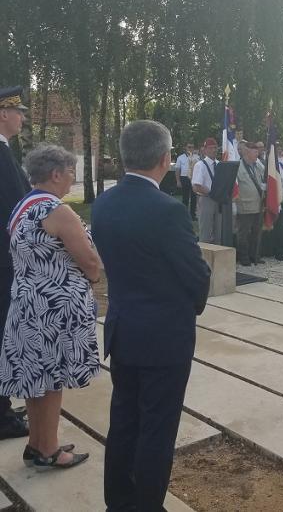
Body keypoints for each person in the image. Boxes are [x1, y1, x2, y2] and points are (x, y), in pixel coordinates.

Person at [92, 120, 211, 511]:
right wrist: (190, 305)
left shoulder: (104, 202)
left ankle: (118, 503)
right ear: (164, 159)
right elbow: (196, 274)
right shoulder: (167, 210)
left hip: (124, 330)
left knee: (124, 422)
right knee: (157, 429)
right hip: (163, 338)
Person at [0, 144, 101, 469]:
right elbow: (87, 259)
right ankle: (51, 450)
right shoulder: (57, 210)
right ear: (55, 174)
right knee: (53, 379)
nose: (72, 178)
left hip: (27, 306)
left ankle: (37, 443)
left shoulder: (22, 206)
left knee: (35, 379)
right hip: (55, 311)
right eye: (70, 171)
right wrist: (94, 274)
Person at [0, 86, 30, 441]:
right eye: (17, 111)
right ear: (3, 114)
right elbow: (15, 209)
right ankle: (2, 415)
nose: (22, 117)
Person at [236, 141, 266, 266]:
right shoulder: (238, 167)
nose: (257, 155)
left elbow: (265, 179)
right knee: (243, 233)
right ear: (247, 152)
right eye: (255, 152)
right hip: (245, 206)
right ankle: (244, 257)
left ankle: (255, 256)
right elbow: (235, 187)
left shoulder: (258, 166)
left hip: (258, 205)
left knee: (256, 233)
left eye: (258, 152)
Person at [192, 138, 221, 244]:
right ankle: (204, 257)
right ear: (204, 150)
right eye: (211, 148)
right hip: (206, 199)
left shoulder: (219, 164)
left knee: (219, 231)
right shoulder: (200, 165)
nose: (214, 150)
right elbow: (196, 186)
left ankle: (218, 256)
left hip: (219, 200)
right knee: (206, 230)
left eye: (215, 148)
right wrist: (210, 192)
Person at [175, 142, 199, 220]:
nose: (190, 149)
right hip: (184, 178)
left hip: (194, 178)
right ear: (185, 148)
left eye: (192, 147)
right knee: (185, 197)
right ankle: (184, 215)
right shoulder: (180, 158)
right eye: (189, 147)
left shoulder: (197, 157)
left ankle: (192, 215)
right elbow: (178, 170)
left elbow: (200, 169)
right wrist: (178, 181)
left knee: (194, 198)